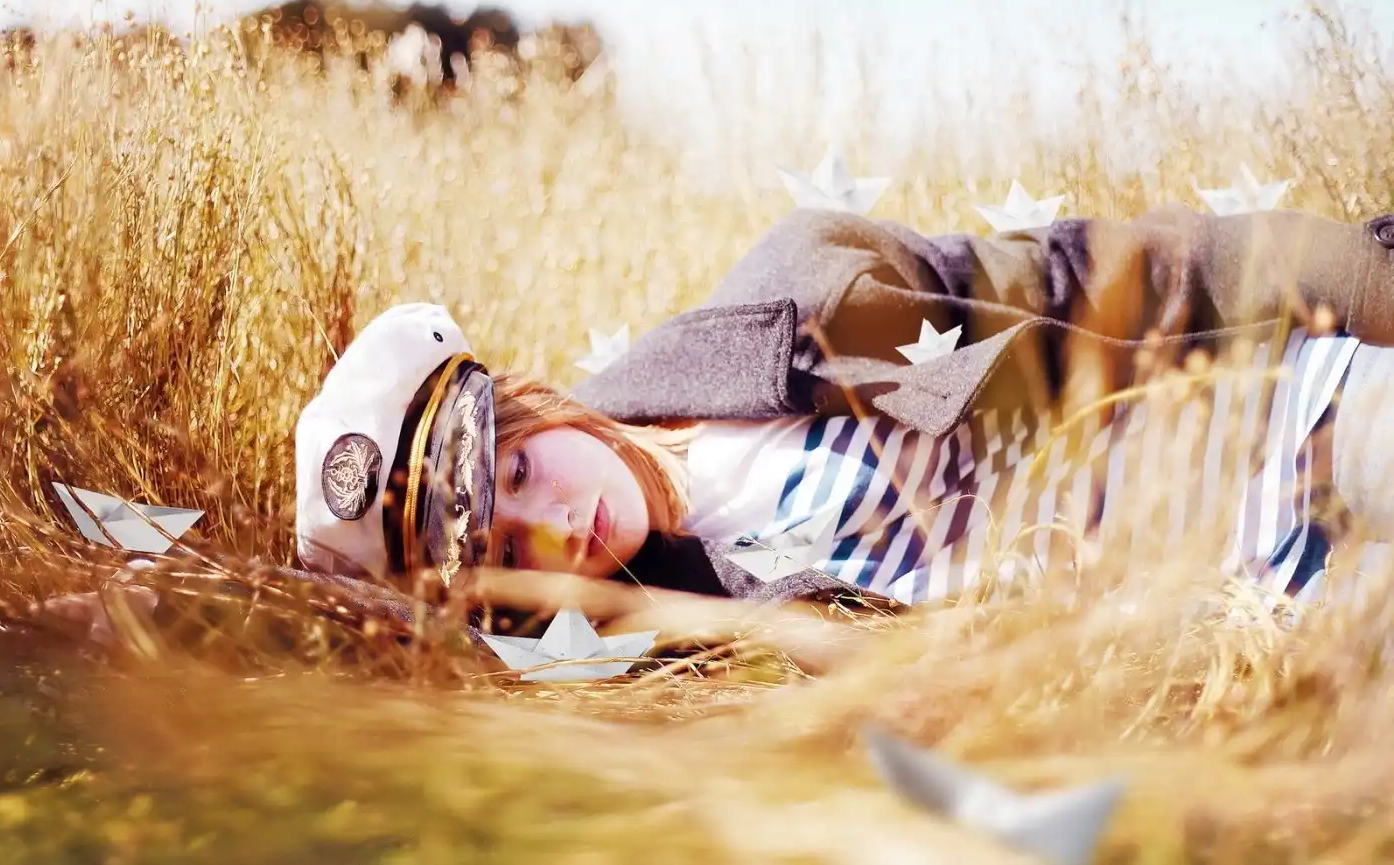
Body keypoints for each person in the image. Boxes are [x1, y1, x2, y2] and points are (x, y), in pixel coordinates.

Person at [292, 204, 1394, 614]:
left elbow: (1078, 284)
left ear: (537, 408)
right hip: (1269, 617)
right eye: (500, 553)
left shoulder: (799, 295)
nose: (550, 531)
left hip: (1287, 430)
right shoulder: (675, 638)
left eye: (520, 474)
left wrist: (1353, 279)